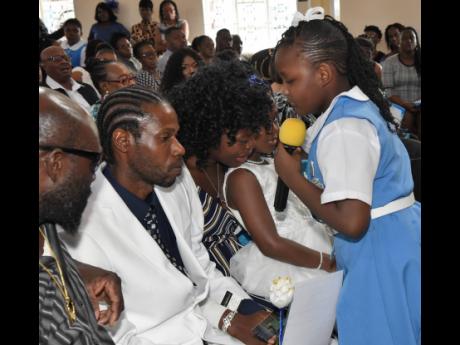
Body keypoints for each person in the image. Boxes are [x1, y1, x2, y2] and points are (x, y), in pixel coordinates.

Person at [61, 85, 275, 345]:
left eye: (177, 136)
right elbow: (119, 337)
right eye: (165, 137)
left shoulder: (176, 177)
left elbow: (200, 268)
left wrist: (242, 311)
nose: (180, 149)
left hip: (208, 315)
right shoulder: (81, 224)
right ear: (123, 141)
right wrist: (225, 321)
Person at [273, 12, 420, 345]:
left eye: (289, 80)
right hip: (394, 238)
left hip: (379, 251)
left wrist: (293, 178)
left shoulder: (344, 128)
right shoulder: (348, 114)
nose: (283, 90)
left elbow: (353, 222)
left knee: (382, 332)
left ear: (323, 73)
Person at [223, 95, 334, 299]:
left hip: (314, 245)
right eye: (263, 126)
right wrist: (325, 262)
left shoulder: (270, 161)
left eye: (274, 121)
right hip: (289, 262)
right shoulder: (242, 177)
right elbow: (270, 243)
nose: (274, 130)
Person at [167, 61, 270, 280]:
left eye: (252, 136)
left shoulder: (233, 165)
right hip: (216, 287)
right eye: (241, 140)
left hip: (259, 271)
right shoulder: (178, 179)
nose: (249, 146)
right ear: (210, 130)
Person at [39, 87, 124, 344]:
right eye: (93, 163)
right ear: (56, 162)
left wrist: (80, 271)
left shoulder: (46, 216)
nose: (93, 178)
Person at [382, 27, 421, 139]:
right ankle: (407, 150)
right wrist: (405, 104)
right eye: (404, 38)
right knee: (407, 116)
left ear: (416, 42)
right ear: (398, 42)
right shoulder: (390, 62)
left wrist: (417, 104)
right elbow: (388, 92)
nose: (408, 41)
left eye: (411, 38)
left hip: (419, 105)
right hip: (397, 105)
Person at [40, 46, 99, 113]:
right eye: (57, 59)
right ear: (43, 65)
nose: (64, 62)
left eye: (66, 58)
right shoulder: (42, 95)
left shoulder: (87, 88)